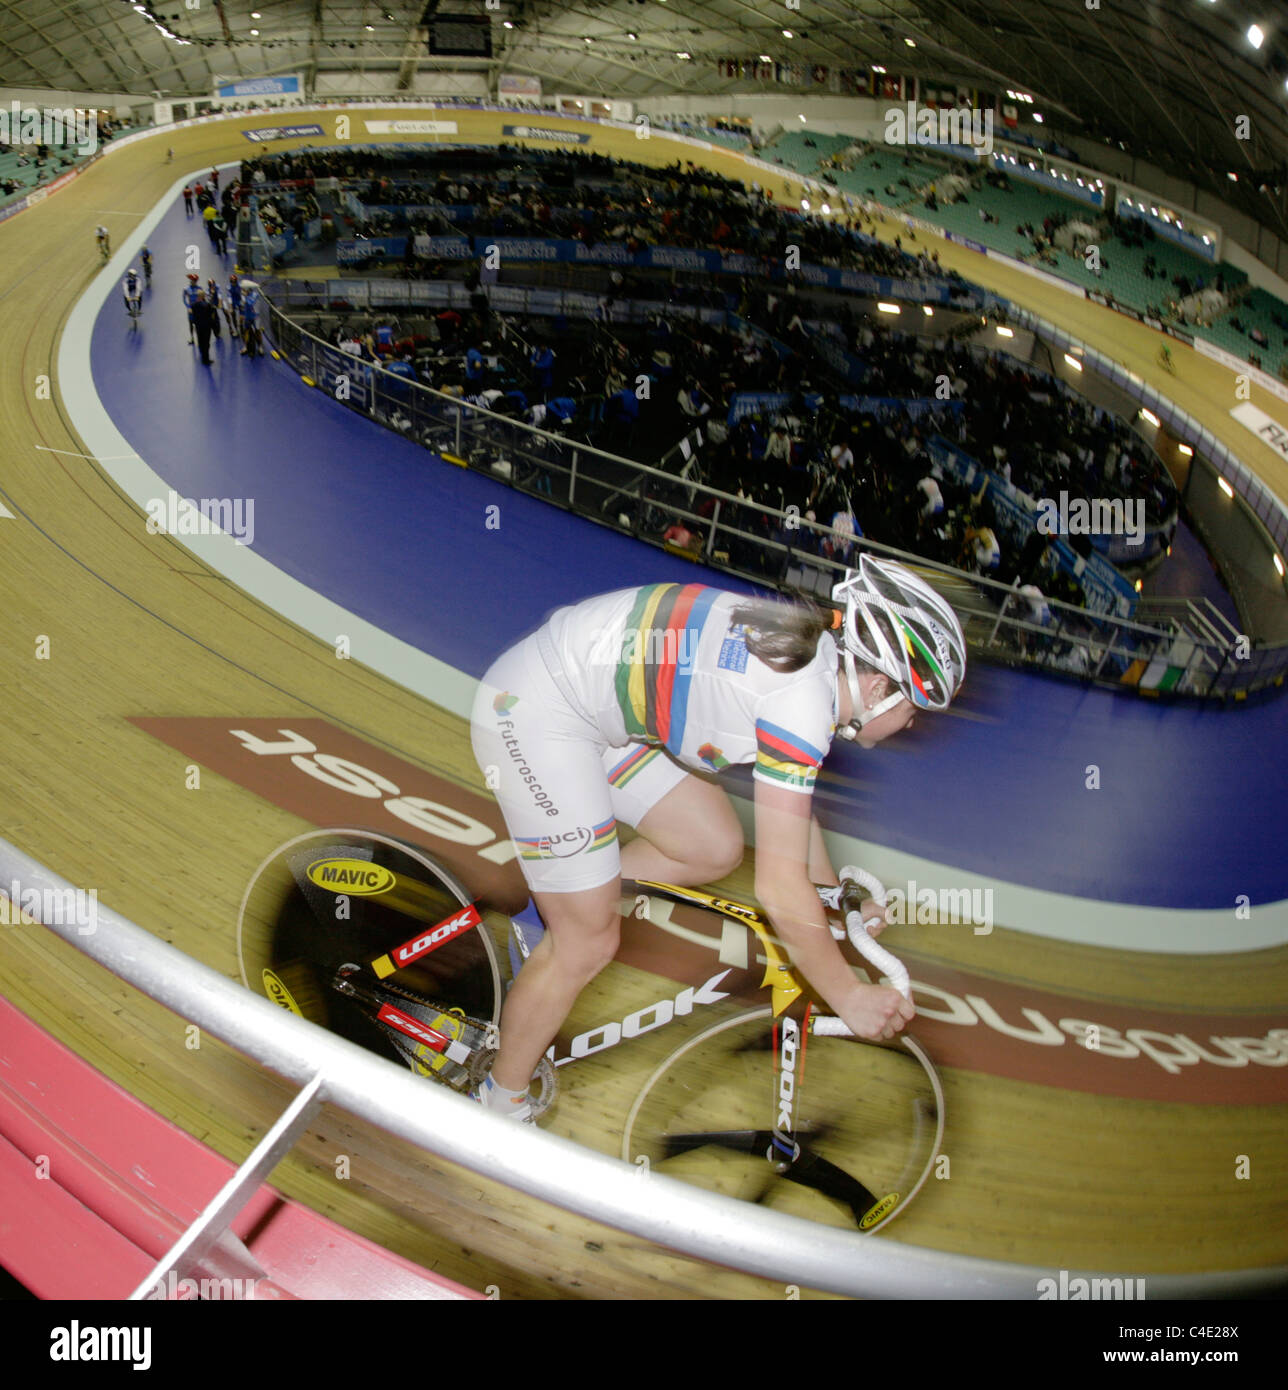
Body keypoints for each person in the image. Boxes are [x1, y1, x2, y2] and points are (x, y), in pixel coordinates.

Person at [468, 555, 967, 1120]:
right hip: (536, 712)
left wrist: (831, 897)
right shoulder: (799, 703)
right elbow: (778, 889)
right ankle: (497, 1103)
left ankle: (550, 920)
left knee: (712, 845)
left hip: (591, 707)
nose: (913, 726)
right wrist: (846, 996)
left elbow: (793, 819)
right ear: (878, 687)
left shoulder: (813, 660)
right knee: (589, 941)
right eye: (915, 709)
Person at [190, 290, 217, 366]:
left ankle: (202, 357)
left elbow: (193, 315)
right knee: (206, 343)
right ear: (203, 296)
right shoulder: (207, 305)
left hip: (198, 326)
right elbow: (211, 313)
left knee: (200, 341)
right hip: (206, 326)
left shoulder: (193, 305)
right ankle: (206, 359)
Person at [182, 272, 200, 344]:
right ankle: (192, 338)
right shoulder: (186, 289)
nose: (192, 281)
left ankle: (199, 337)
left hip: (198, 309)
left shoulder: (199, 289)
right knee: (191, 323)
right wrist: (188, 307)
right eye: (191, 280)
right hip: (191, 309)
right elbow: (184, 299)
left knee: (198, 323)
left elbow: (202, 298)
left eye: (193, 280)